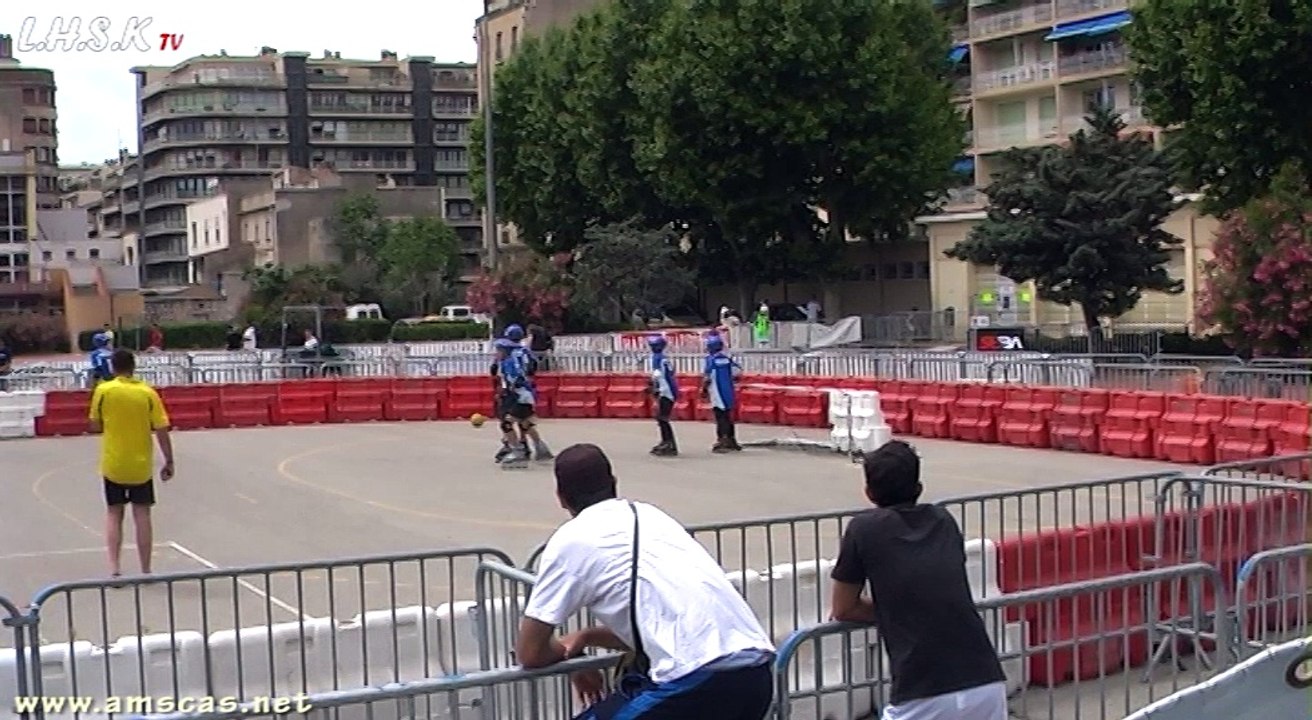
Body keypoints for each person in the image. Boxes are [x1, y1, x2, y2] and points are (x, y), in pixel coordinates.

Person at [516, 443, 775, 719]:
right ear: (614, 483)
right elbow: (665, 622)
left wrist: (570, 655)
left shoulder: (572, 540)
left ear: (561, 497)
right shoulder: (653, 517)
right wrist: (587, 637)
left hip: (697, 680)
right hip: (754, 674)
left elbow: (530, 651)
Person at [829, 440, 1007, 720]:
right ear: (918, 488)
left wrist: (897, 611)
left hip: (924, 688)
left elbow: (843, 608)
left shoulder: (863, 529)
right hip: (983, 677)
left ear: (869, 492)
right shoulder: (943, 520)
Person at [88, 348, 175, 581]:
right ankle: (145, 569)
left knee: (114, 513)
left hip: (114, 462)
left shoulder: (104, 391)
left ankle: (115, 567)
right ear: (133, 367)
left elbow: (95, 424)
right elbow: (161, 428)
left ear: (113, 367)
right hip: (141, 464)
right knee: (142, 513)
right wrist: (169, 460)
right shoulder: (147, 393)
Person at [495, 337, 552, 464]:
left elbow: (516, 379)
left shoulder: (509, 363)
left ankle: (517, 451)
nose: (496, 353)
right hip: (526, 396)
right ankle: (541, 448)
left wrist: (509, 390)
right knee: (525, 423)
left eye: (498, 350)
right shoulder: (520, 357)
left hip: (520, 396)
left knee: (506, 424)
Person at [702, 334, 741, 453]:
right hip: (728, 390)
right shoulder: (727, 359)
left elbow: (708, 377)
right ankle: (731, 439)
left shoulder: (711, 359)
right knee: (728, 415)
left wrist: (703, 389)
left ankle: (722, 439)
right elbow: (737, 372)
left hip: (716, 390)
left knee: (720, 416)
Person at [646, 335, 679, 456]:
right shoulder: (661, 358)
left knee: (663, 418)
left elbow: (658, 376)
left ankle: (669, 443)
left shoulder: (659, 359)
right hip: (667, 389)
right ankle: (665, 441)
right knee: (661, 418)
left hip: (666, 391)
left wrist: (654, 387)